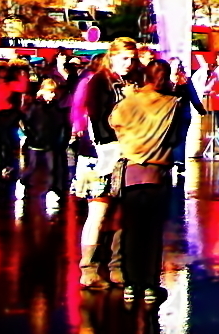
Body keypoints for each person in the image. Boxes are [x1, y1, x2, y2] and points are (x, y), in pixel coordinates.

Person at [109, 59, 182, 307]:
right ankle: (150, 285)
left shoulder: (130, 101)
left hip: (131, 173)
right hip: (157, 174)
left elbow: (113, 122)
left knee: (131, 231)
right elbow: (176, 138)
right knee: (152, 234)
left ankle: (130, 284)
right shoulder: (173, 103)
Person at [76, 37, 138, 290]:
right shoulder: (98, 82)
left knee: (123, 213)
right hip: (102, 154)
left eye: (132, 59)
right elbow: (98, 120)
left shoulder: (134, 81)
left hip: (130, 152)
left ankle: (116, 267)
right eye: (125, 58)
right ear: (112, 56)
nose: (129, 63)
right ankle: (88, 268)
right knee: (98, 213)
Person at [22, 73, 69, 195]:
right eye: (50, 92)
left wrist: (60, 138)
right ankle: (23, 183)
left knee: (52, 167)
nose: (52, 95)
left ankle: (53, 190)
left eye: (54, 93)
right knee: (32, 166)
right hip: (35, 142)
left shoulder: (56, 108)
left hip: (51, 142)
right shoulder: (35, 106)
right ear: (42, 91)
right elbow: (25, 122)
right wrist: (31, 135)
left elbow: (61, 124)